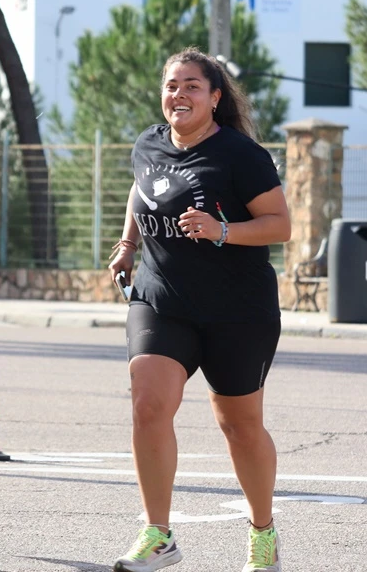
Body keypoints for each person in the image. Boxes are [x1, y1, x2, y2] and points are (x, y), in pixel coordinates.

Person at [107, 47, 291, 572]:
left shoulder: (241, 155)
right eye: (171, 85)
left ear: (214, 97)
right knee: (147, 402)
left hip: (238, 308)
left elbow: (280, 225)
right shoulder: (148, 143)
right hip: (161, 299)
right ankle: (158, 535)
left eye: (192, 86)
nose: (179, 94)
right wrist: (127, 244)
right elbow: (140, 191)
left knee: (239, 426)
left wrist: (223, 230)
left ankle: (262, 530)